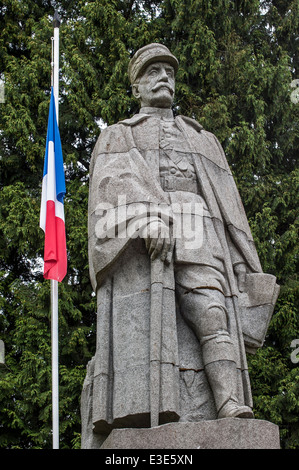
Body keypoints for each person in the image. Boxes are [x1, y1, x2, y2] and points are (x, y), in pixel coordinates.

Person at [82, 44, 278, 443]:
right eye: (152, 71)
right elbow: (109, 189)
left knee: (210, 312)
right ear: (136, 87)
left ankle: (228, 402)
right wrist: (142, 220)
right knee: (152, 327)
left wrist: (242, 266)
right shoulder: (119, 135)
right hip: (144, 246)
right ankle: (148, 414)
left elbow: (228, 208)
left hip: (199, 228)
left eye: (169, 71)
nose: (164, 77)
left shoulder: (203, 138)